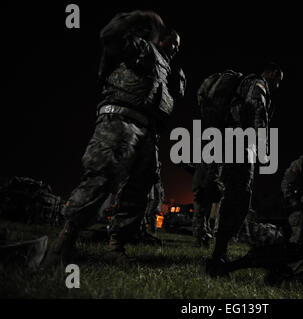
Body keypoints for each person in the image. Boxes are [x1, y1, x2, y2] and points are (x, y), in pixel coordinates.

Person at [45, 10, 182, 265]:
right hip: (119, 122)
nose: (174, 48)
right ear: (159, 38)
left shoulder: (166, 69)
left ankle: (116, 246)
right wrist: (139, 18)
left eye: (177, 46)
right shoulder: (140, 49)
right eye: (171, 42)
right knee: (102, 178)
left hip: (146, 133)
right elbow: (110, 35)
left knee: (138, 191)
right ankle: (65, 241)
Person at [205, 63, 283, 276]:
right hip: (239, 143)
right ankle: (217, 256)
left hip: (233, 141)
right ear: (271, 73)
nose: (277, 85)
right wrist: (264, 149)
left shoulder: (244, 85)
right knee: (238, 196)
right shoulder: (258, 84)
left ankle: (219, 251)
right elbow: (258, 113)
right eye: (278, 80)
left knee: (236, 195)